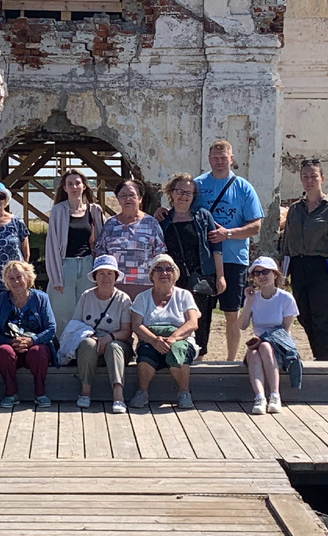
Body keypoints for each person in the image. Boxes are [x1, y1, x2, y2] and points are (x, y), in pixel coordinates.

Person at [194, 140, 265, 360]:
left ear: (231, 159)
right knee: (200, 312)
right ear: (209, 159)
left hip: (234, 258)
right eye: (215, 158)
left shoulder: (243, 187)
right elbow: (182, 209)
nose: (219, 162)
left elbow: (256, 225)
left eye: (223, 158)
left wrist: (229, 234)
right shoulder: (198, 185)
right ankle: (199, 355)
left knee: (232, 312)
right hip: (204, 258)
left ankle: (231, 360)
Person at [280, 158, 328, 362]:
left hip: (324, 268)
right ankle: (319, 355)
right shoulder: (295, 209)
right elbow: (287, 243)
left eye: (313, 176)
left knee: (323, 317)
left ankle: (322, 360)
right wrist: (282, 273)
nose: (309, 181)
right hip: (299, 267)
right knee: (304, 315)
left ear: (322, 178)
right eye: (305, 177)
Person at [158, 173, 226, 357]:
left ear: (194, 196)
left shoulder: (203, 217)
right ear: (171, 193)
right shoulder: (163, 220)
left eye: (188, 193)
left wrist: (220, 276)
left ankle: (199, 360)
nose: (184, 196)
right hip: (172, 279)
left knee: (200, 321)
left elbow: (216, 248)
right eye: (180, 191)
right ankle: (175, 357)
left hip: (199, 277)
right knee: (174, 319)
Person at [129, 254, 200, 409]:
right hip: (152, 340)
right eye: (159, 269)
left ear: (175, 275)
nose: (164, 273)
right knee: (145, 353)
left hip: (180, 340)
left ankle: (184, 393)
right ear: (151, 275)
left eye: (169, 269)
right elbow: (136, 325)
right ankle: (142, 392)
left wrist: (173, 338)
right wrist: (154, 340)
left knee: (179, 351)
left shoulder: (184, 295)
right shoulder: (142, 298)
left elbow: (192, 323)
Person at [69, 254, 133, 414]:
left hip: (117, 342)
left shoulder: (123, 299)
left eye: (110, 273)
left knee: (114, 347)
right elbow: (75, 324)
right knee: (87, 344)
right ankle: (85, 392)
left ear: (115, 276)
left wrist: (108, 338)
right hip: (91, 340)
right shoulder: (86, 296)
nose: (106, 277)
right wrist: (90, 336)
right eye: (101, 273)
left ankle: (118, 396)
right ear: (95, 277)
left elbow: (126, 331)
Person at [238, 256, 303, 414]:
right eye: (257, 273)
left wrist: (264, 340)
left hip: (279, 346)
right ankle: (260, 397)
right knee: (254, 354)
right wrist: (249, 302)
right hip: (257, 346)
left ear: (275, 274)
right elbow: (242, 325)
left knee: (265, 347)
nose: (261, 276)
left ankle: (275, 395)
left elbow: (285, 331)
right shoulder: (253, 298)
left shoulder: (285, 298)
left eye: (265, 271)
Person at [0, 260, 57, 409]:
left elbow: (51, 328)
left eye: (19, 277)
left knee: (38, 351)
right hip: (10, 346)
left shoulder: (41, 298)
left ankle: (40, 394)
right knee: (3, 351)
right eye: (11, 278)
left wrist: (32, 340)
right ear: (6, 281)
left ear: (27, 277)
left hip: (35, 347)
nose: (16, 282)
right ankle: (10, 394)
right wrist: (9, 341)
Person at [45, 170, 106, 330]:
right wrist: (55, 277)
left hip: (88, 265)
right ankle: (63, 345)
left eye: (77, 183)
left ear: (84, 186)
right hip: (65, 266)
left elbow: (103, 239)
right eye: (70, 184)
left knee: (88, 311)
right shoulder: (58, 211)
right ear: (64, 188)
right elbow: (51, 244)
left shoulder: (94, 210)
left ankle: (86, 343)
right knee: (62, 314)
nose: (74, 187)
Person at [94, 178, 166, 299]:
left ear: (140, 198)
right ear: (118, 199)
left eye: (132, 195)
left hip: (145, 288)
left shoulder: (151, 223)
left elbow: (160, 256)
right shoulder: (110, 224)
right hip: (115, 288)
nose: (127, 199)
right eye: (123, 195)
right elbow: (100, 254)